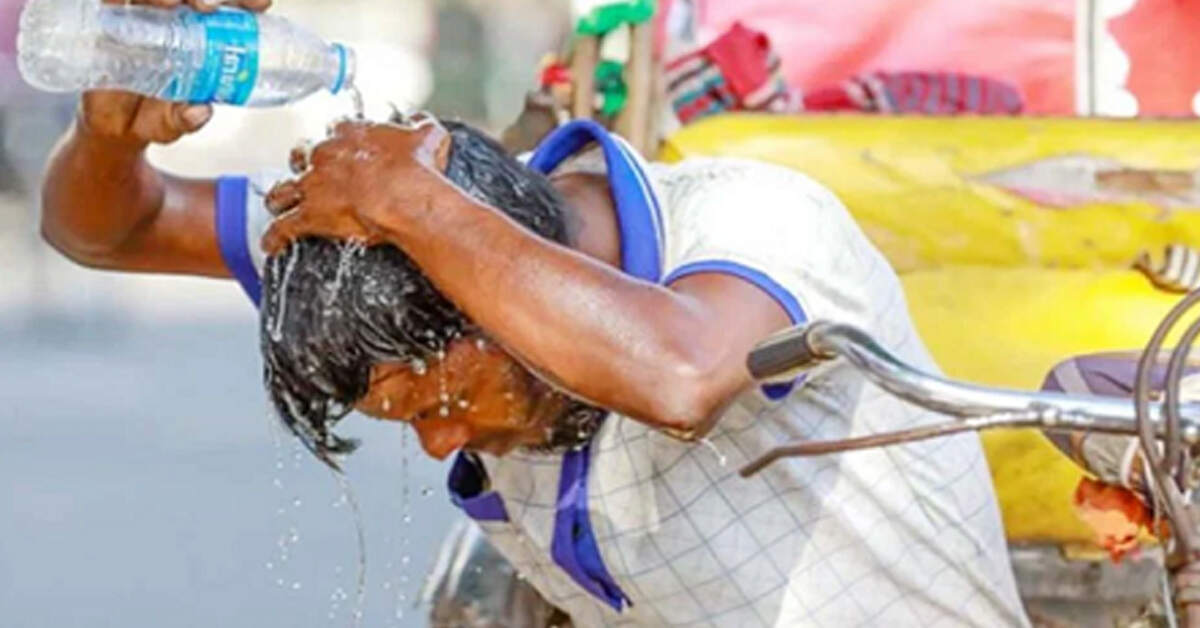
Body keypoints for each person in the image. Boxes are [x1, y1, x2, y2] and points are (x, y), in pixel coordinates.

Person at [41, 2, 1029, 625]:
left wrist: (419, 206)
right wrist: (104, 134)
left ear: (490, 290)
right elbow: (108, 230)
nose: (440, 445)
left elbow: (678, 378)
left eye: (447, 399)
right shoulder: (376, 251)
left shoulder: (758, 222)